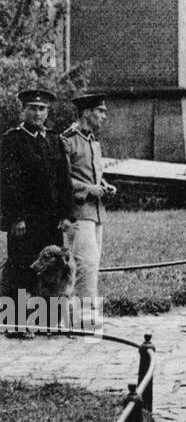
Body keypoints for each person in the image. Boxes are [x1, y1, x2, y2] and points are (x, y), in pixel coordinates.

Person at [1, 89, 74, 337]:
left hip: (51, 220)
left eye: (42, 109)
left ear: (48, 112)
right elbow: (7, 183)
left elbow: (64, 181)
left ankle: (47, 323)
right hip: (24, 221)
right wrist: (15, 217)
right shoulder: (12, 140)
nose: (38, 113)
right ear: (23, 110)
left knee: (52, 273)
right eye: (32, 107)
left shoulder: (53, 140)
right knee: (20, 269)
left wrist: (66, 215)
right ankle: (15, 324)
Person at [61, 94, 116, 327]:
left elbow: (94, 175)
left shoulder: (94, 142)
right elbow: (61, 181)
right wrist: (89, 189)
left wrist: (104, 187)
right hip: (77, 212)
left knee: (93, 263)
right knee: (84, 263)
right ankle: (80, 316)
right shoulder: (68, 140)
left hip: (96, 212)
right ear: (86, 113)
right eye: (99, 111)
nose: (103, 116)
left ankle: (83, 313)